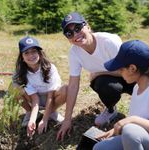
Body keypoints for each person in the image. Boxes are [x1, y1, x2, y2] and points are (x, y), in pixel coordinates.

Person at [93, 40, 149, 150]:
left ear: (132, 68)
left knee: (130, 132)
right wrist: (116, 129)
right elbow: (143, 121)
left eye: (121, 68)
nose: (119, 72)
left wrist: (132, 120)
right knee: (100, 148)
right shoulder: (137, 87)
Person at [56, 12, 135, 141]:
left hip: (131, 75)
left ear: (87, 26)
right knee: (103, 85)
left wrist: (98, 72)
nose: (75, 34)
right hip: (112, 80)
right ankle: (110, 110)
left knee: (139, 91)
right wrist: (67, 119)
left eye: (78, 28)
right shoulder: (74, 53)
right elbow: (73, 85)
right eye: (69, 33)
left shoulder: (109, 41)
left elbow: (130, 70)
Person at [12, 36, 67, 137]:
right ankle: (30, 112)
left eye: (34, 51)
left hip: (50, 98)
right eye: (26, 53)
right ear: (22, 57)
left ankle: (51, 112)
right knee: (13, 88)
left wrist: (44, 120)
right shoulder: (21, 73)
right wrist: (32, 121)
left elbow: (51, 96)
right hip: (33, 98)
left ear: (39, 53)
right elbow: (35, 98)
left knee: (65, 89)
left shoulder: (49, 68)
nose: (31, 55)